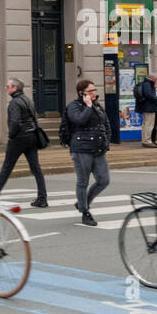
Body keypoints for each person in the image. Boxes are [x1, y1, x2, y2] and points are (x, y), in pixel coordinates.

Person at [0, 77, 48, 208]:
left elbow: (14, 123)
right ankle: (42, 198)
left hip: (19, 138)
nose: (6, 88)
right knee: (36, 168)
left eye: (8, 86)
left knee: (7, 167)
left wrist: (11, 135)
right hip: (31, 137)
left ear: (15, 88)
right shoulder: (29, 100)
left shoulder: (14, 103)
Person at [66, 78, 112, 226]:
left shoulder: (97, 106)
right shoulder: (74, 106)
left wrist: (107, 140)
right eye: (90, 91)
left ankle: (83, 203)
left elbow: (105, 123)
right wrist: (87, 106)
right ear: (82, 93)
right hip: (81, 149)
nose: (94, 93)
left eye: (94, 90)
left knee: (104, 180)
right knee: (83, 182)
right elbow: (79, 120)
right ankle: (85, 212)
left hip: (98, 149)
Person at [135, 72, 157, 147]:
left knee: (146, 124)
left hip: (147, 107)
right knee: (149, 125)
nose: (156, 81)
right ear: (153, 78)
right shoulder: (148, 84)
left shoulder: (146, 83)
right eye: (156, 79)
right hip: (149, 107)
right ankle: (147, 141)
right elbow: (149, 95)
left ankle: (145, 140)